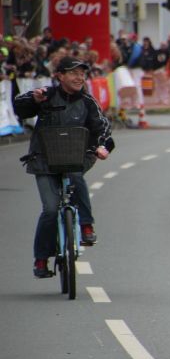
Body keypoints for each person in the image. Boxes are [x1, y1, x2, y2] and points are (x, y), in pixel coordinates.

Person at [14, 56, 113, 278]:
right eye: (73, 73)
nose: (79, 77)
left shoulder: (88, 102)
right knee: (50, 209)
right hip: (43, 160)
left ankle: (86, 226)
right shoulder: (46, 95)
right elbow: (20, 107)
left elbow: (103, 128)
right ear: (60, 76)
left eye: (82, 73)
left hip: (76, 158)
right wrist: (34, 100)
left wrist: (103, 147)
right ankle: (41, 260)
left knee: (76, 177)